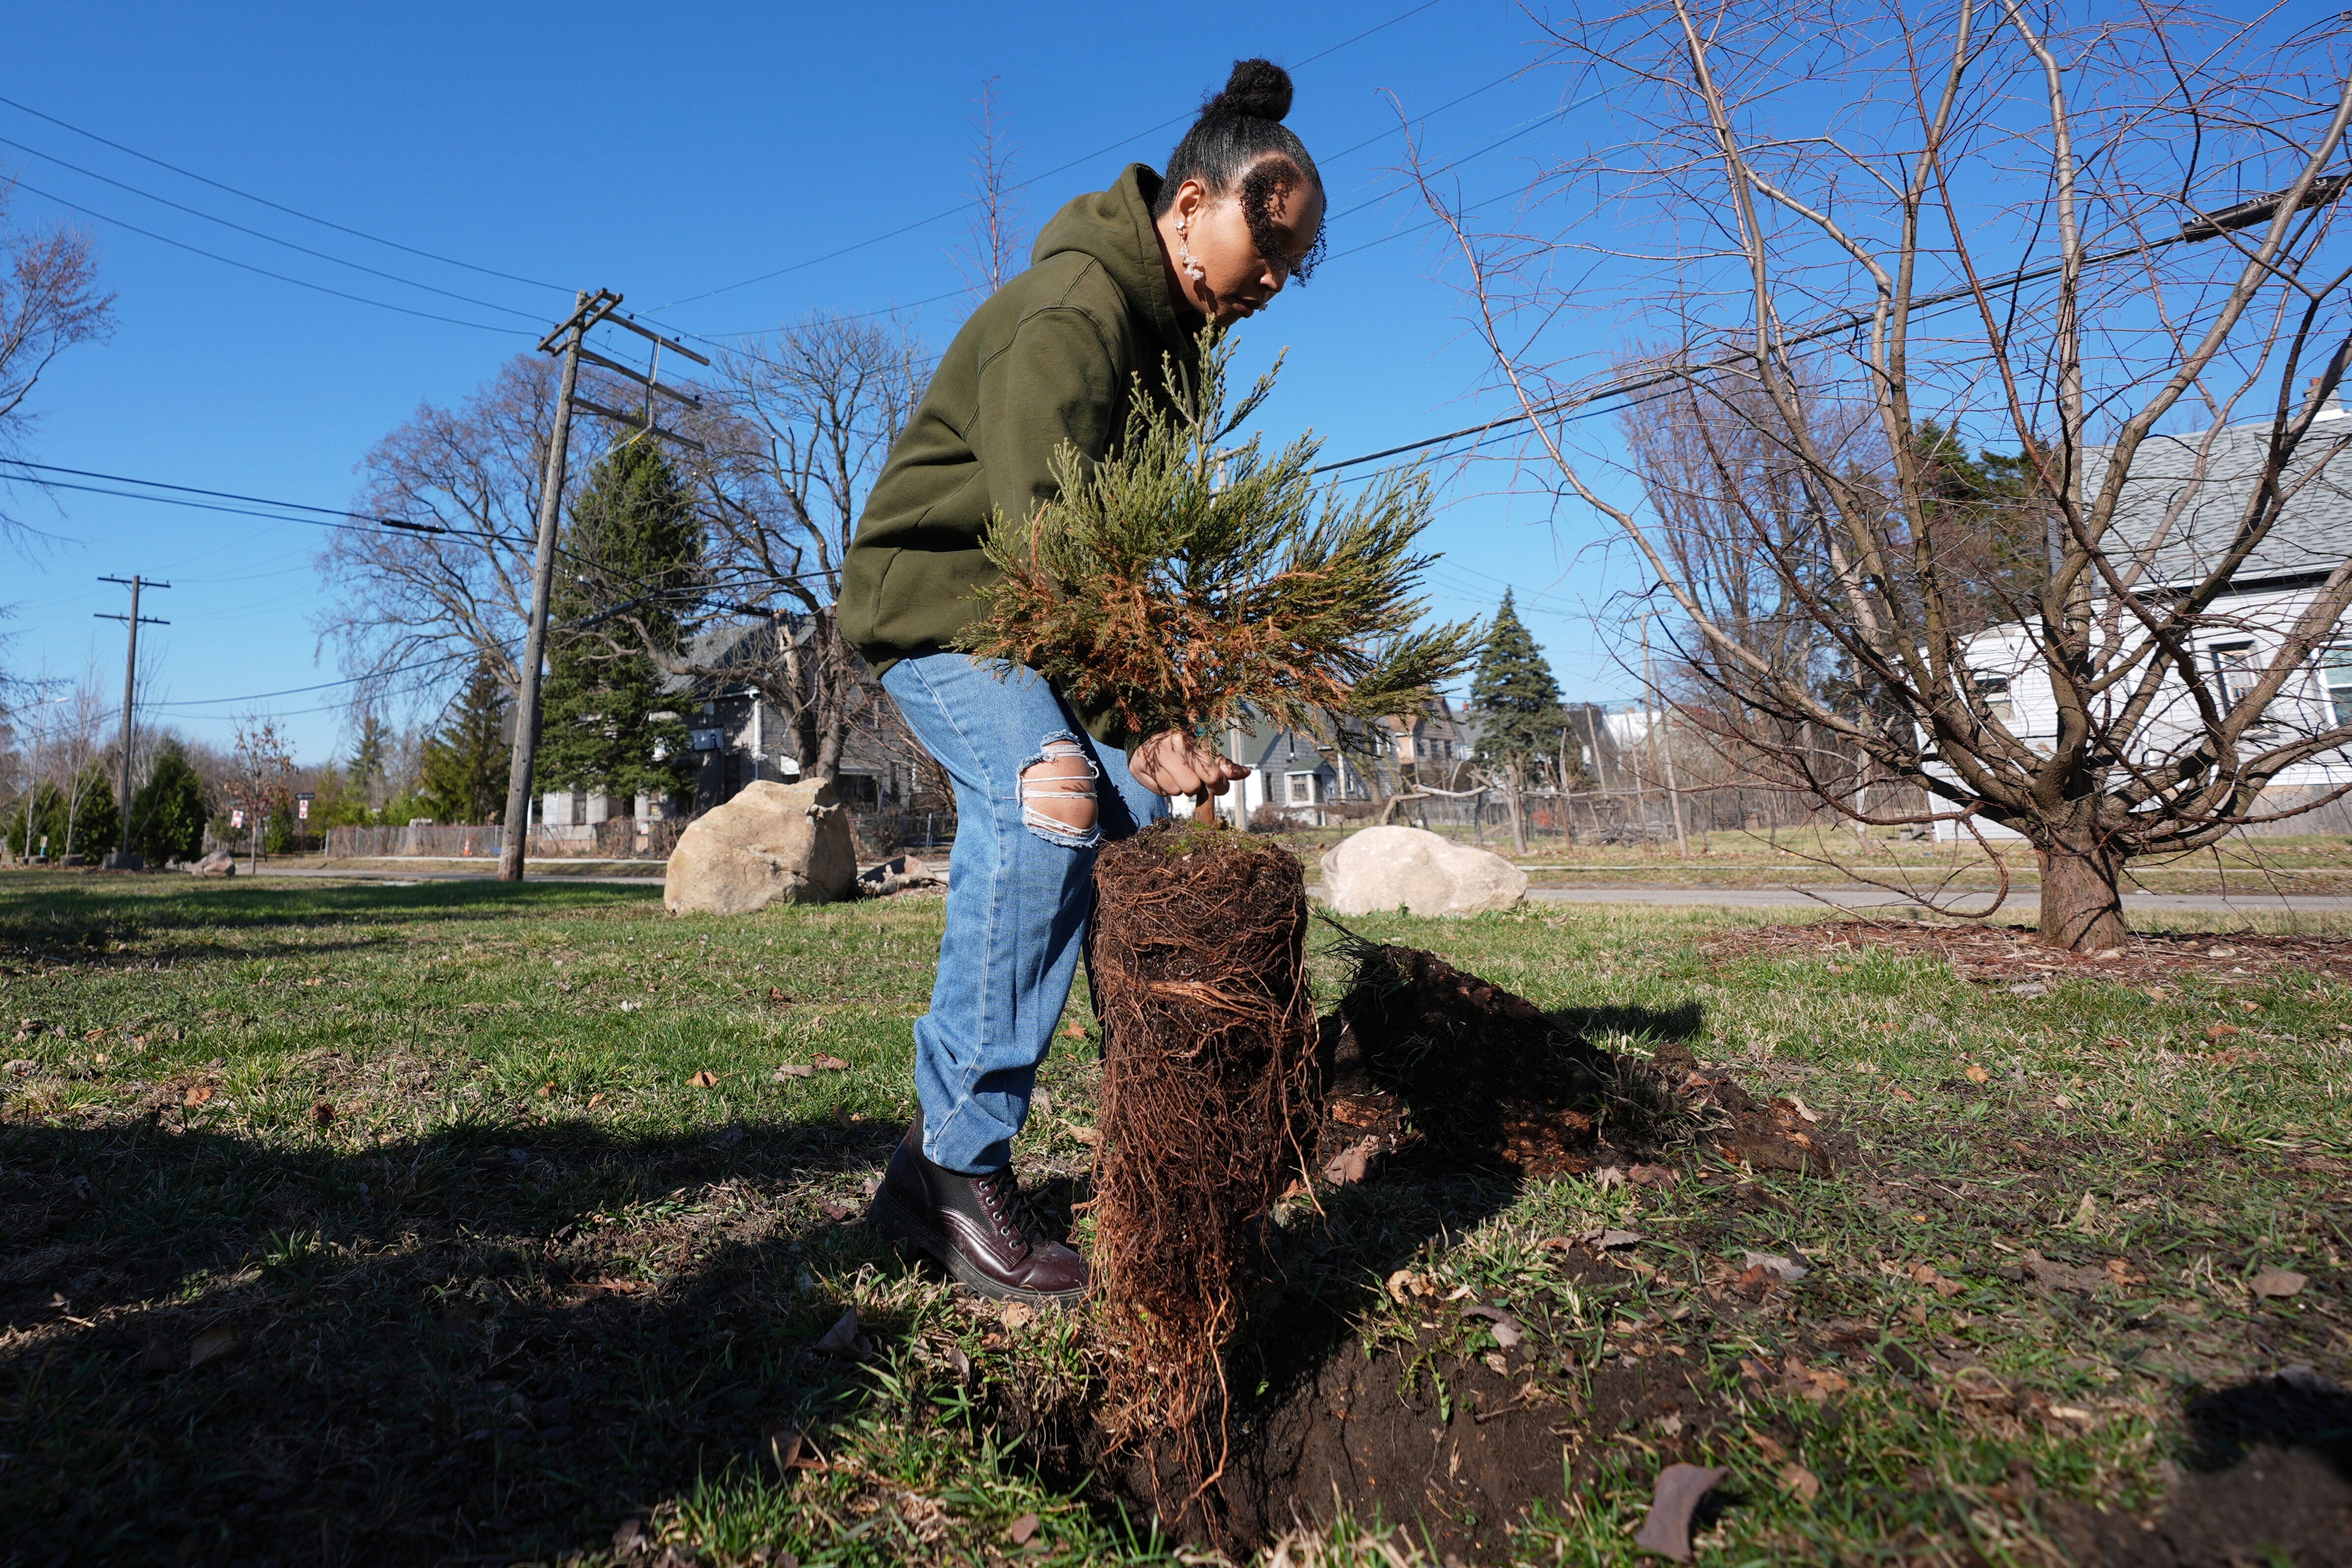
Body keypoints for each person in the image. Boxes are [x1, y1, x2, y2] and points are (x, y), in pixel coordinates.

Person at [842, 59, 1327, 1306]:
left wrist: (1157, 728)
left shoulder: (1170, 338)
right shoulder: (1078, 310)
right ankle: (956, 1169)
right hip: (943, 608)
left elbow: (1110, 561)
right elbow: (1051, 553)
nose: (1276, 276)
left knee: (1128, 834)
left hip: (1023, 615)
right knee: (1052, 791)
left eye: (1297, 262)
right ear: (1187, 206)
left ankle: (1148, 1152)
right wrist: (1135, 720)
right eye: (1266, 241)